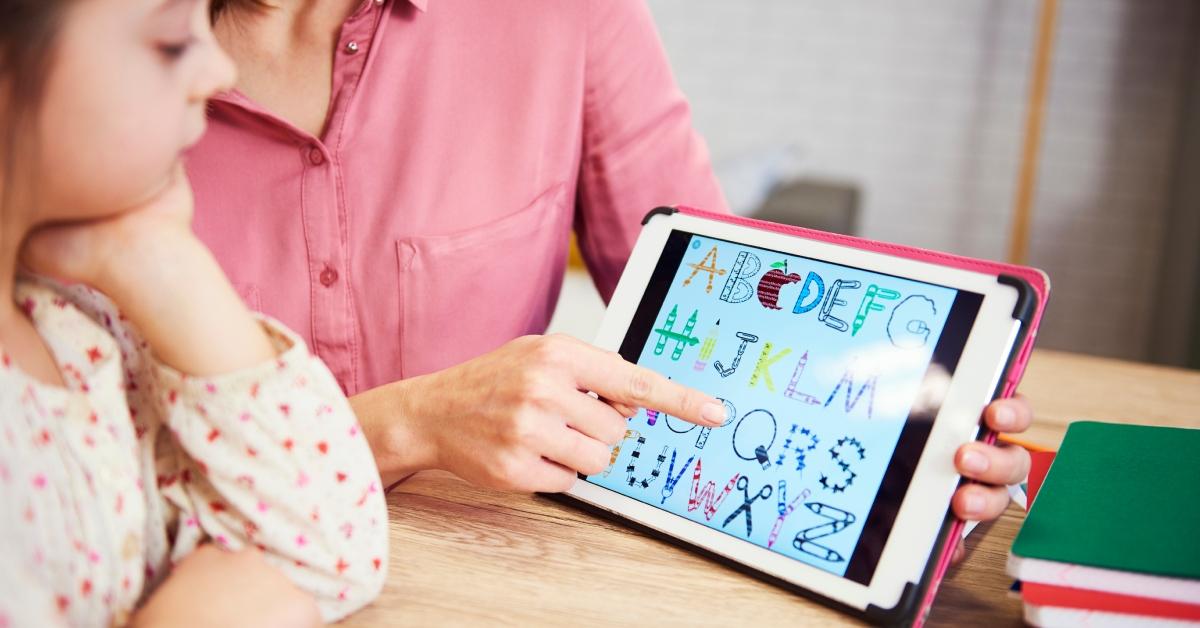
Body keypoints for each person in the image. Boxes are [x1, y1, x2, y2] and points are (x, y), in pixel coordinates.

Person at [190, 0, 1033, 554]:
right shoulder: (95, 53)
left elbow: (729, 328)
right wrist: (407, 422)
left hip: (491, 579)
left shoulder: (564, 14)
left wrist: (902, 448)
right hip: (184, 563)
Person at [0, 0, 389, 623]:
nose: (217, 70)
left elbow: (329, 550)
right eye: (175, 38)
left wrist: (157, 263)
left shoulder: (78, 331)